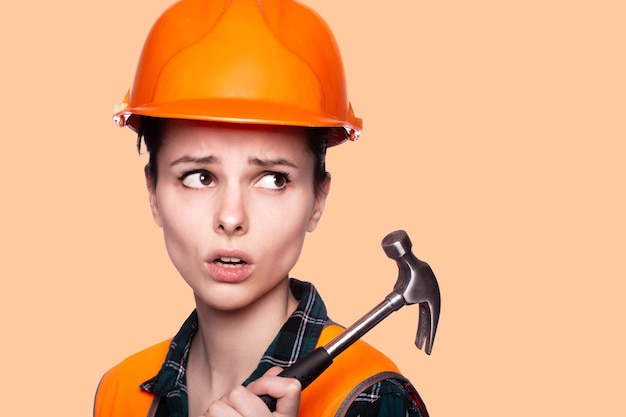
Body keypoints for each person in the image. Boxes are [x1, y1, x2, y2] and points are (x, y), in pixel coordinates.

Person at [94, 0, 429, 416]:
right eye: (199, 176)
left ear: (317, 200)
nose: (231, 218)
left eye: (273, 179)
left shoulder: (372, 401)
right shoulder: (120, 392)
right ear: (153, 193)